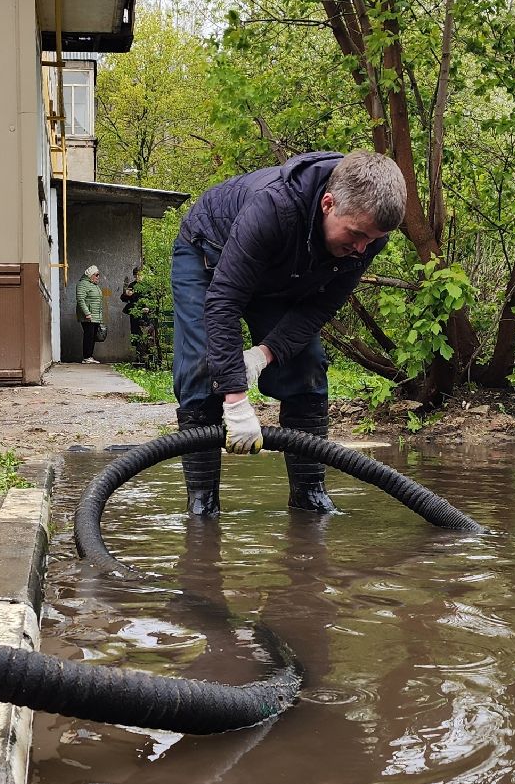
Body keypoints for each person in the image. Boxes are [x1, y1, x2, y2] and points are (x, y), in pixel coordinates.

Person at [170, 150, 404, 515]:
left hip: (281, 272)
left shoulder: (367, 234)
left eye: (371, 241)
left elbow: (318, 308)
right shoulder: (273, 207)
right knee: (202, 367)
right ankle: (203, 503)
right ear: (328, 204)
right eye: (357, 235)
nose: (361, 249)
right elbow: (224, 301)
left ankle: (309, 495)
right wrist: (235, 400)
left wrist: (263, 355)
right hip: (207, 255)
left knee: (306, 364)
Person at [76, 264, 107, 363]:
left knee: (93, 336)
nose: (98, 277)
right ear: (91, 275)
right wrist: (87, 313)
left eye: (98, 275)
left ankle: (89, 356)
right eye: (97, 275)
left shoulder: (94, 285)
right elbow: (80, 299)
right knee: (89, 335)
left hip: (95, 316)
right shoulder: (82, 284)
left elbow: (98, 301)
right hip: (88, 316)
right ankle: (86, 357)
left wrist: (99, 316)